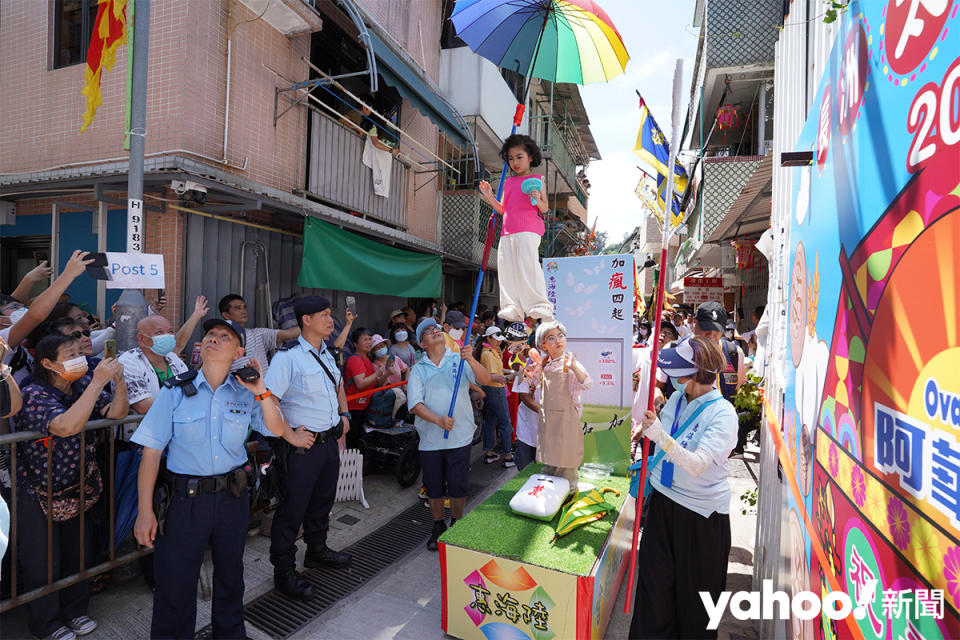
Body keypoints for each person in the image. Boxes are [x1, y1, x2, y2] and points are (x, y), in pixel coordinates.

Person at [132, 319, 307, 639]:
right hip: (186, 501)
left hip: (232, 498)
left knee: (230, 577)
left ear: (239, 351)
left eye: (224, 337)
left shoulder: (245, 392)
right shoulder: (175, 391)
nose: (213, 339)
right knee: (175, 582)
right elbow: (152, 453)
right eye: (210, 334)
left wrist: (262, 391)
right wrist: (145, 512)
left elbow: (277, 429)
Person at [13, 334, 128, 640]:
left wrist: (119, 380)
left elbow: (115, 413)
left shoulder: (80, 385)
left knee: (78, 553)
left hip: (79, 483)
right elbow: (65, 426)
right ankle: (46, 623)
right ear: (47, 362)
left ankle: (75, 611)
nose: (80, 358)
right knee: (44, 560)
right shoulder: (34, 393)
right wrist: (96, 384)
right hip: (39, 490)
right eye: (70, 353)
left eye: (80, 352)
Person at [628, 336, 738, 638]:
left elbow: (698, 463)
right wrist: (647, 431)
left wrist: (659, 435)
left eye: (678, 370)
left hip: (701, 518)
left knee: (696, 605)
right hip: (663, 504)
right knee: (654, 593)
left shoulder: (723, 414)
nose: (671, 377)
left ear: (696, 374)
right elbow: (663, 436)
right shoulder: (677, 399)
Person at [263, 296, 353, 599]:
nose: (331, 320)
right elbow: (268, 400)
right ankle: (284, 571)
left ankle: (317, 550)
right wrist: (289, 434)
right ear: (306, 320)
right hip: (302, 448)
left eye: (330, 314)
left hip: (328, 443)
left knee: (322, 502)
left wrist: (345, 414)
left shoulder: (328, 353)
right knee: (292, 510)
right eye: (325, 315)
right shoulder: (287, 358)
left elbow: (337, 384)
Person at [408, 318, 494, 550]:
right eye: (427, 331)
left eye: (436, 328)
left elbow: (485, 380)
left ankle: (456, 521)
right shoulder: (418, 369)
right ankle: (438, 525)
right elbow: (415, 404)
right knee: (434, 487)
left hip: (460, 436)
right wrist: (438, 420)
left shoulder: (459, 359)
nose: (434, 331)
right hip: (430, 439)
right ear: (422, 344)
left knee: (458, 485)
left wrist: (471, 359)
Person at [478, 134, 554, 323]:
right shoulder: (509, 182)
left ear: (530, 157)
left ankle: (539, 304)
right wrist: (488, 195)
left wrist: (537, 197)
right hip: (507, 231)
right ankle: (512, 307)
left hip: (529, 229)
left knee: (528, 266)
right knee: (507, 268)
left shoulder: (538, 179)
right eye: (511, 158)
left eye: (519, 157)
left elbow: (544, 208)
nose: (515, 162)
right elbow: (503, 209)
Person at [1, 251, 94, 385]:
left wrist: (29, 279)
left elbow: (10, 302)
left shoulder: (18, 337)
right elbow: (34, 316)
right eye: (15, 308)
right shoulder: (3, 339)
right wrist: (68, 275)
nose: (22, 310)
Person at [119, 315, 190, 414]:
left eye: (170, 332)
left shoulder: (173, 358)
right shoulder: (128, 362)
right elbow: (143, 406)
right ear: (141, 339)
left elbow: (190, 391)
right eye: (159, 333)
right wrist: (186, 404)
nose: (167, 336)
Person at [218, 294, 301, 374]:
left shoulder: (259, 334)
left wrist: (310, 326)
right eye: (238, 308)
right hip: (234, 387)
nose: (243, 311)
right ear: (226, 315)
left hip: (261, 387)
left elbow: (289, 333)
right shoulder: (218, 340)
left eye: (244, 307)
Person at [344, 327, 386, 448]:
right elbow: (361, 383)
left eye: (370, 339)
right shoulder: (355, 360)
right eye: (365, 340)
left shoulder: (367, 359)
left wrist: (386, 374)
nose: (369, 342)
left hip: (364, 406)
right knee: (353, 440)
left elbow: (375, 383)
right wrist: (376, 374)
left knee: (359, 439)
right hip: (353, 407)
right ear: (355, 344)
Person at [476, 327, 513, 467]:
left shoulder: (490, 351)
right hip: (495, 390)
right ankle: (508, 456)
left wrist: (510, 372)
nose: (499, 342)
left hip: (492, 390)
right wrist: (506, 377)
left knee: (491, 421)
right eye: (496, 339)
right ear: (488, 338)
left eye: (500, 340)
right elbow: (491, 376)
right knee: (505, 423)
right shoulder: (488, 354)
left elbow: (496, 371)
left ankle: (489, 453)